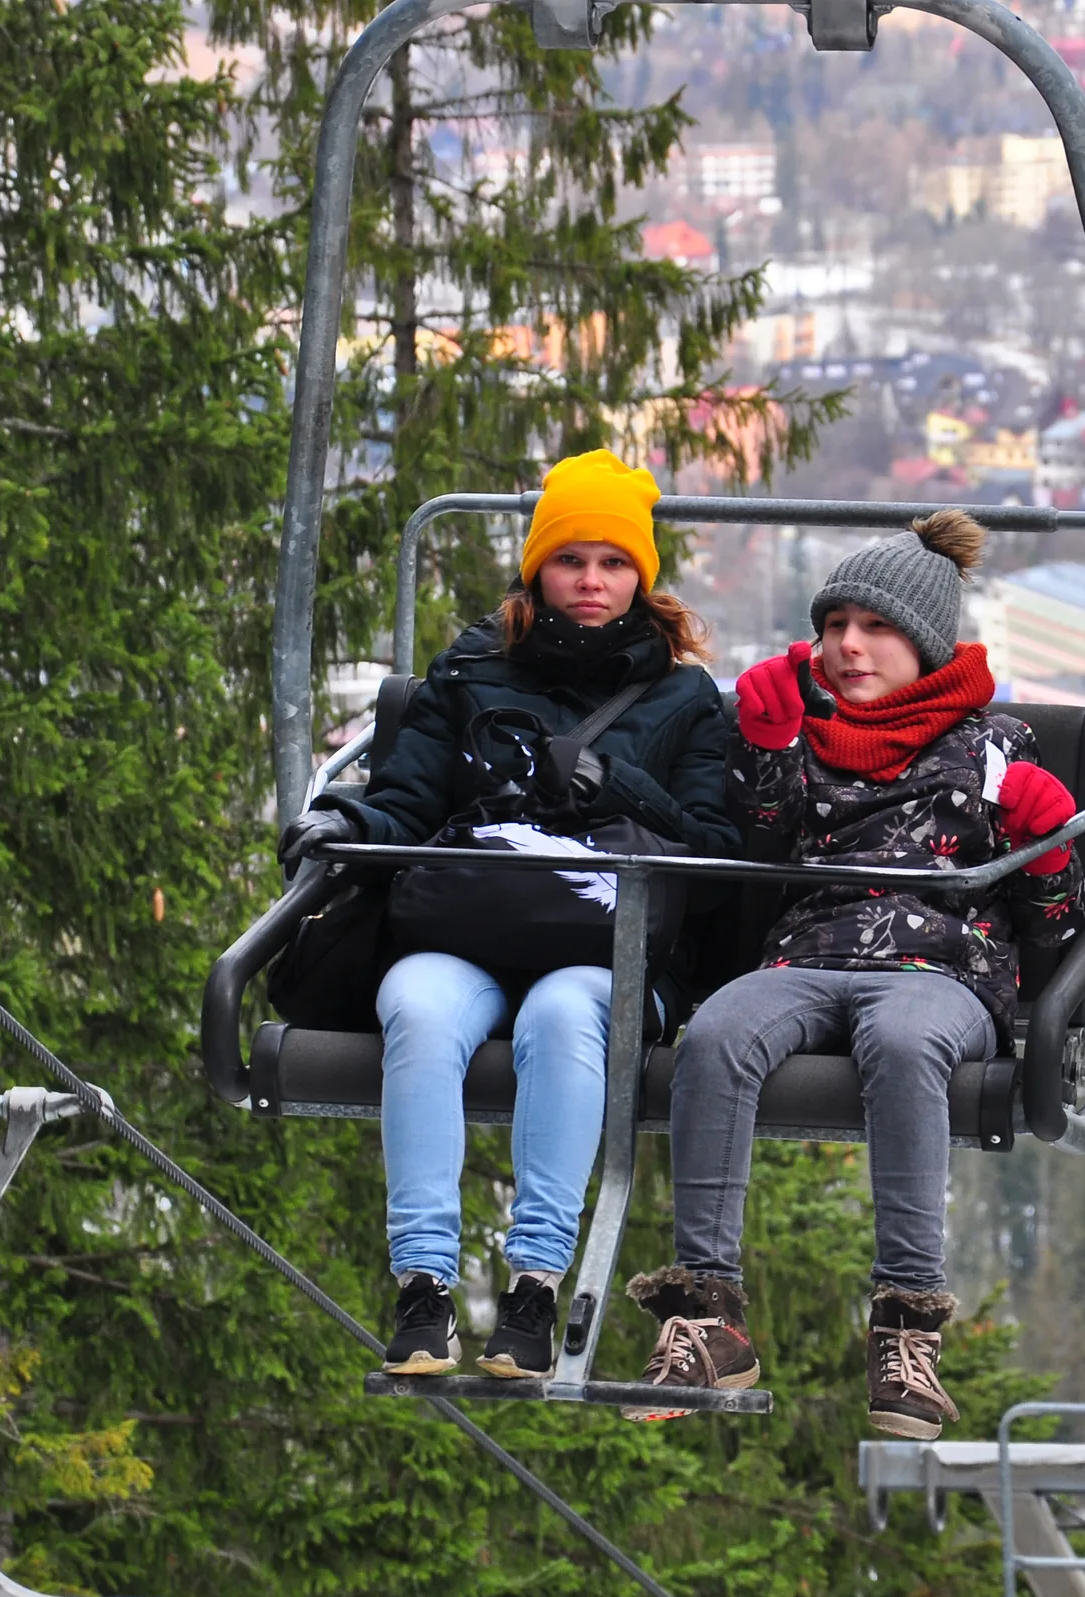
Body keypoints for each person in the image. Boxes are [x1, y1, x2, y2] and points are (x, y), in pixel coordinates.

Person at [620, 510, 1085, 1437]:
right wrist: (762, 742)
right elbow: (762, 834)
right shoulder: (806, 737)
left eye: (873, 628)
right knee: (716, 1033)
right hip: (810, 952)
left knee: (905, 1042)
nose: (847, 646)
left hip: (942, 966)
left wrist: (1044, 851)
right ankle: (706, 1309)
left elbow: (1056, 932)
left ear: (922, 644)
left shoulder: (994, 750)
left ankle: (907, 1323)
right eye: (834, 626)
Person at [277, 449, 739, 1380]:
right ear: (539, 568)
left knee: (566, 1016)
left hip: (605, 937)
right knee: (415, 1001)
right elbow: (408, 798)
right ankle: (424, 1288)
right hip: (475, 923)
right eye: (573, 560)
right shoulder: (473, 670)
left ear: (641, 578)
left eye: (614, 564)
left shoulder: (685, 697)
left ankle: (533, 1287)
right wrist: (344, 821)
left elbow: (711, 842)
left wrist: (619, 783)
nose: (592, 583)